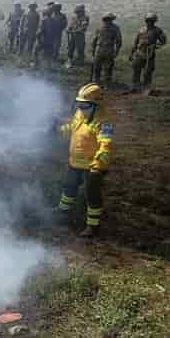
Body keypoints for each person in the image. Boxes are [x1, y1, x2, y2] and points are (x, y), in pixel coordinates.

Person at [54, 83, 114, 238]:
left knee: (91, 195)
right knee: (69, 187)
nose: (81, 108)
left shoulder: (104, 123)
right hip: (75, 162)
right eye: (79, 104)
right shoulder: (80, 115)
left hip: (92, 167)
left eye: (85, 105)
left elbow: (105, 146)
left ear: (96, 105)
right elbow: (72, 128)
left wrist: (98, 166)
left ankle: (92, 226)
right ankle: (62, 212)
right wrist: (57, 130)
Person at [130, 12, 167, 92]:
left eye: (151, 21)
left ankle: (146, 88)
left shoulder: (158, 30)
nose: (149, 22)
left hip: (149, 54)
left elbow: (163, 41)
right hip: (139, 53)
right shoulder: (141, 30)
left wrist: (155, 46)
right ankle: (135, 87)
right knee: (136, 70)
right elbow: (135, 43)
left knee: (147, 72)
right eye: (148, 20)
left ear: (154, 21)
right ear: (145, 20)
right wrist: (131, 53)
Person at [91, 13, 122, 86]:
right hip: (99, 50)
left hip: (109, 50)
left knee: (108, 68)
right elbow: (95, 39)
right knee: (97, 67)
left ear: (111, 20)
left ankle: (107, 83)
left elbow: (119, 41)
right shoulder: (99, 28)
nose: (107, 21)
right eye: (106, 19)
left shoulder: (115, 28)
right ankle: (96, 81)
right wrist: (93, 50)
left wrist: (116, 51)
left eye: (109, 19)